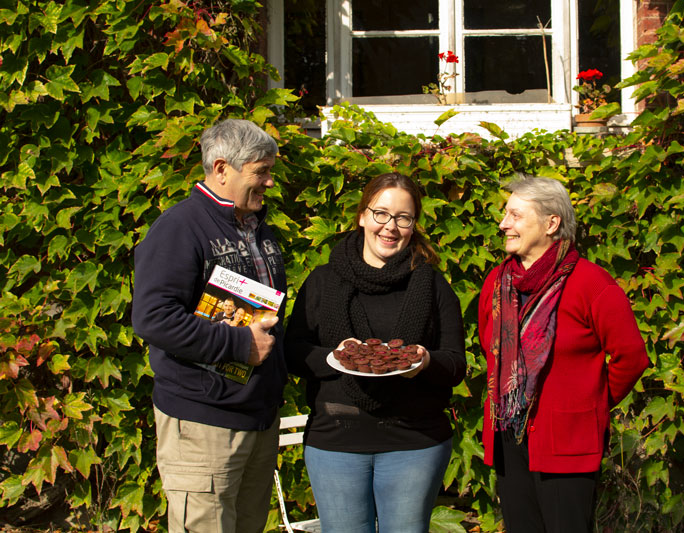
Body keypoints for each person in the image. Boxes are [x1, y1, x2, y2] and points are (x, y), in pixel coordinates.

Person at [285, 172, 467, 533]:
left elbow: (455, 363)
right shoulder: (323, 280)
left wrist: (425, 362)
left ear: (413, 225)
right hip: (336, 439)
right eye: (381, 213)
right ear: (362, 216)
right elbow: (293, 353)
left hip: (415, 441)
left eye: (403, 218)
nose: (390, 227)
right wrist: (332, 357)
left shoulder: (431, 284)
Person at [132, 118, 288, 533]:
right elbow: (152, 318)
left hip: (256, 416)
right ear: (222, 169)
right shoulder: (179, 228)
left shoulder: (258, 229)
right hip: (203, 423)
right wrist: (238, 345)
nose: (270, 182)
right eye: (261, 171)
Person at [478, 174, 649, 533]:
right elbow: (490, 347)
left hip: (567, 444)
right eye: (505, 214)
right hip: (509, 437)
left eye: (515, 215)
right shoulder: (497, 283)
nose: (502, 223)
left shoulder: (591, 283)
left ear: (551, 223)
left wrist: (589, 405)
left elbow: (630, 357)